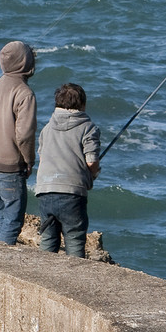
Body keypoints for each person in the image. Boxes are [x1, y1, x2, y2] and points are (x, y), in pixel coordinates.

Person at [34, 82, 101, 259]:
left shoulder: (47, 128)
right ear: (83, 105)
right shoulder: (88, 127)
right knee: (75, 240)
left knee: (48, 240)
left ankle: (43, 277)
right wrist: (93, 174)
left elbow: (42, 156)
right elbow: (91, 161)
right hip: (72, 192)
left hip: (45, 189)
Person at [0, 40, 37, 245]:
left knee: (2, 217)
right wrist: (29, 160)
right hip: (10, 165)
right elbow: (24, 135)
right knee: (13, 220)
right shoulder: (24, 93)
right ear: (25, 63)